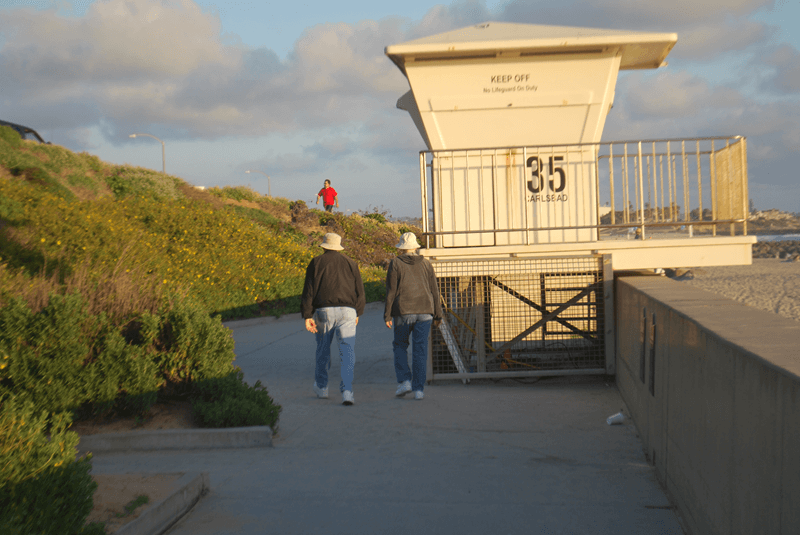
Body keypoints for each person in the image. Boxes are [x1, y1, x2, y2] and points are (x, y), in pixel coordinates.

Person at [301, 232, 365, 405]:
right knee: (347, 352)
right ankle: (347, 392)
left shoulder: (316, 262)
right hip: (348, 311)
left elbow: (309, 291)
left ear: (324, 246)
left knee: (323, 349)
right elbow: (360, 291)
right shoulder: (351, 263)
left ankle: (322, 387)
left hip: (324, 310)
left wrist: (307, 315)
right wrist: (358, 312)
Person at [384, 232, 442, 400]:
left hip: (403, 311)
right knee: (420, 350)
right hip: (425, 311)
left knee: (400, 346)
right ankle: (419, 390)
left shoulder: (395, 263)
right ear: (415, 247)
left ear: (401, 248)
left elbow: (391, 291)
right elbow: (434, 290)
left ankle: (404, 381)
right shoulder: (426, 264)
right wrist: (438, 315)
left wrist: (387, 315)